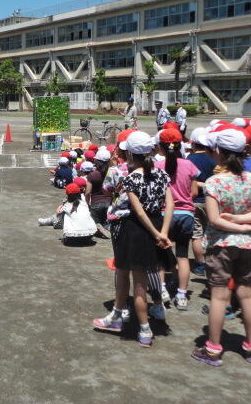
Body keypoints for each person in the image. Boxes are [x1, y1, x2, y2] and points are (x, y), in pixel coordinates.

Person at [191, 128, 251, 367]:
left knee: (219, 295)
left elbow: (214, 220)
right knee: (247, 293)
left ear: (219, 152)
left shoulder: (214, 182)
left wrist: (236, 224)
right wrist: (244, 223)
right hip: (249, 244)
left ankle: (213, 349)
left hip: (221, 244)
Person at [93, 131, 174, 348]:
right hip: (157, 224)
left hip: (135, 229)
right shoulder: (162, 174)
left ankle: (144, 329)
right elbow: (170, 204)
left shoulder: (131, 177)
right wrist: (163, 232)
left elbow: (138, 211)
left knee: (136, 282)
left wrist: (156, 234)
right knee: (148, 273)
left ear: (129, 153)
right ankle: (149, 310)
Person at [155, 128, 199, 311]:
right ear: (180, 145)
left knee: (160, 257)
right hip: (186, 215)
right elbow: (194, 192)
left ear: (161, 148)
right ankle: (181, 295)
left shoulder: (157, 166)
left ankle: (162, 289)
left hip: (164, 215)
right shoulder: (189, 165)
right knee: (182, 256)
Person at [187, 128, 217, 276]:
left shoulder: (189, 160)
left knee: (197, 235)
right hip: (213, 201)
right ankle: (212, 261)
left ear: (193, 144)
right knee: (212, 232)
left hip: (195, 201)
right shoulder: (214, 158)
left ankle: (200, 264)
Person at [85, 149, 112, 238]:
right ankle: (107, 227)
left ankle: (98, 227)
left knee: (93, 220)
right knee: (107, 221)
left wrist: (87, 204)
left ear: (96, 161)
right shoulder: (112, 173)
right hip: (109, 203)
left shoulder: (92, 175)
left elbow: (88, 192)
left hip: (96, 203)